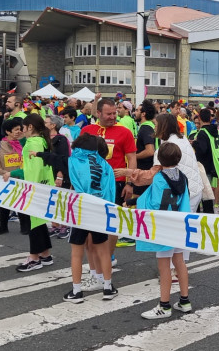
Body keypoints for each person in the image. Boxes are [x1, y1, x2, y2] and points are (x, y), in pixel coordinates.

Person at [133, 142, 194, 319]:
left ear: (159, 159)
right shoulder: (182, 176)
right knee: (180, 262)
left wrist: (134, 204)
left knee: (164, 267)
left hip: (163, 227)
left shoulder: (159, 178)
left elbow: (154, 203)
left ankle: (164, 305)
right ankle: (184, 300)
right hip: (178, 224)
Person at [62, 133, 118, 303]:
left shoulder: (74, 161)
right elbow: (110, 189)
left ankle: (77, 291)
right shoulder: (105, 165)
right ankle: (108, 287)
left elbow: (71, 183)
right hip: (100, 209)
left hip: (81, 209)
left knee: (76, 253)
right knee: (103, 250)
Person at [82, 99, 137, 251]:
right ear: (98, 113)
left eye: (115, 113)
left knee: (112, 223)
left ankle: (109, 256)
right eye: (109, 114)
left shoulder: (124, 131)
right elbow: (78, 158)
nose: (113, 117)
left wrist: (129, 183)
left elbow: (132, 158)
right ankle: (94, 259)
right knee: (90, 222)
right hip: (90, 184)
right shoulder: (87, 130)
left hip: (115, 183)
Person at [8, 114, 55, 272]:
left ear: (30, 127)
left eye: (23, 128)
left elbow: (32, 169)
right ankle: (45, 254)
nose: (22, 130)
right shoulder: (41, 140)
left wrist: (14, 174)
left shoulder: (33, 142)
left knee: (33, 224)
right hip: (45, 185)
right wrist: (22, 139)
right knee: (39, 222)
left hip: (34, 187)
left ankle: (34, 258)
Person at [0, 118, 24, 235]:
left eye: (20, 129)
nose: (19, 131)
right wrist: (4, 173)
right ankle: (3, 226)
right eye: (16, 129)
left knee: (23, 203)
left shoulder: (25, 144)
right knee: (4, 203)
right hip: (5, 178)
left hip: (22, 179)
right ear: (8, 131)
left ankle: (25, 227)